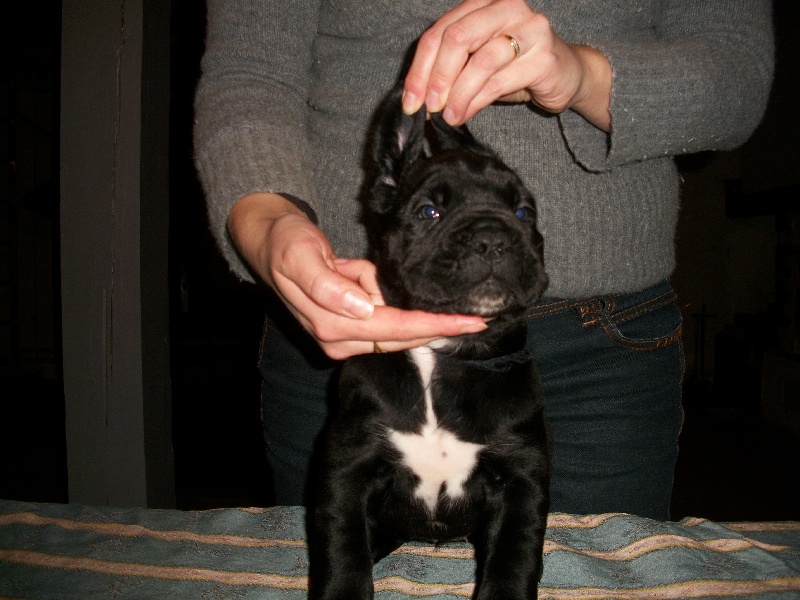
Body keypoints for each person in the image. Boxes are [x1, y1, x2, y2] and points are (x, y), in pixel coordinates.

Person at [193, 0, 774, 519]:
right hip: (344, 331)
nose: (487, 241)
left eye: (516, 216)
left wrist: (584, 74)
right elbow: (250, 71)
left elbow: (738, 69)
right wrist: (271, 224)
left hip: (598, 353)